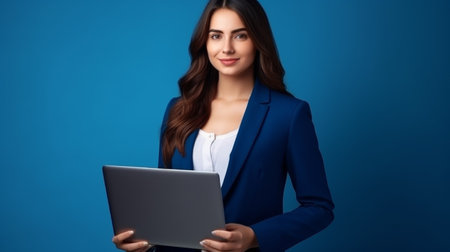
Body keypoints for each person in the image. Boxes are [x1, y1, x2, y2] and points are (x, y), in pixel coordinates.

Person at [112, 0, 334, 251]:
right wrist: (145, 240)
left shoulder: (288, 114)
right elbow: (167, 202)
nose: (226, 48)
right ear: (204, 43)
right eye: (216, 36)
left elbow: (319, 208)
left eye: (240, 35)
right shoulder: (178, 109)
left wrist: (254, 236)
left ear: (258, 41)